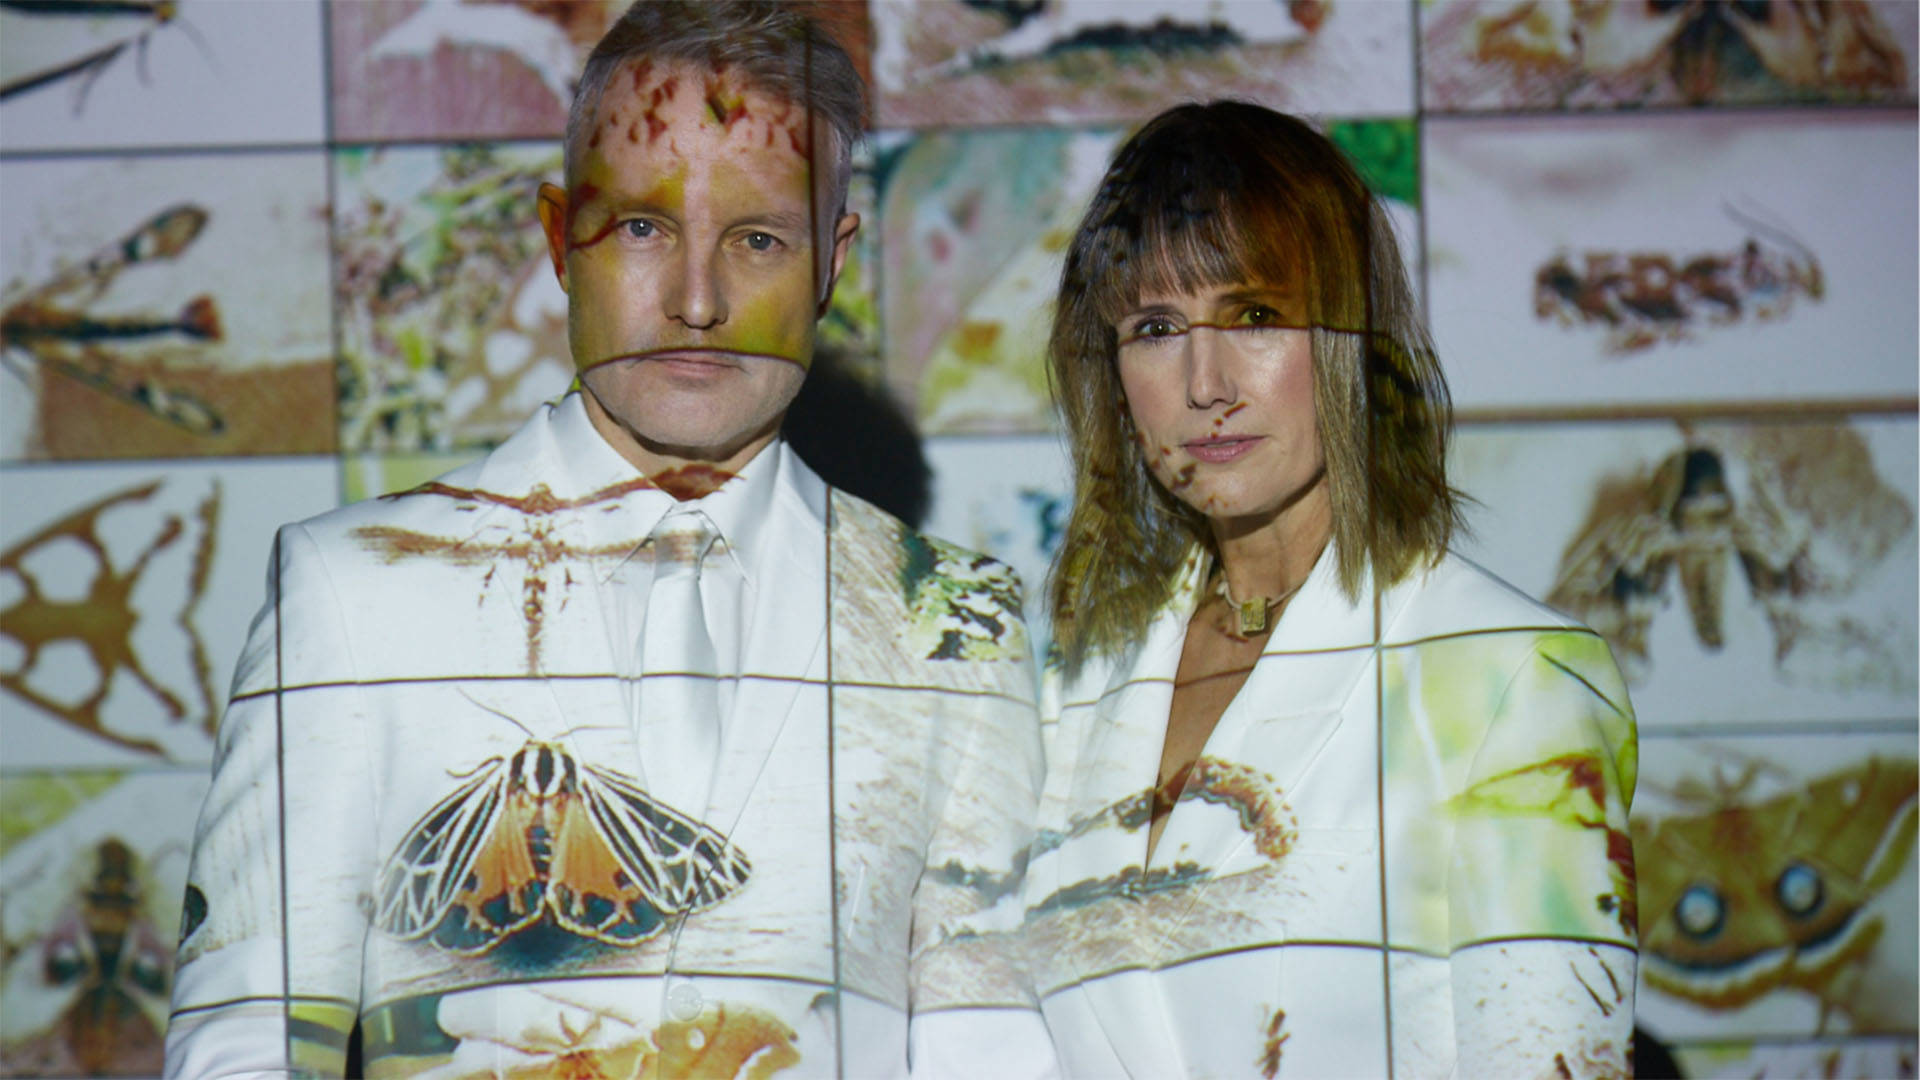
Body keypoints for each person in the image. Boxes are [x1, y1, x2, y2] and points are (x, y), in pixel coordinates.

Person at [165, 5, 1054, 1077]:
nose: (696, 299)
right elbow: (251, 1043)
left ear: (831, 259)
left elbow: (990, 1047)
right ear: (557, 239)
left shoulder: (955, 625)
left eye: (759, 238)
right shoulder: (351, 593)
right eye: (642, 227)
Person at [1022, 101, 1637, 1078]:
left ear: (1353, 337)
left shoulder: (1506, 679)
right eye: (1155, 325)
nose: (1205, 381)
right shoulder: (1071, 684)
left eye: (1255, 315)